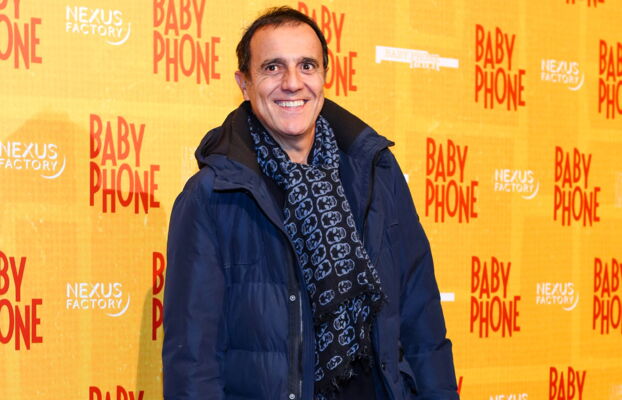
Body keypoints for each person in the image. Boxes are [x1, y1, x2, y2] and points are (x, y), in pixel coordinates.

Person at [163, 6, 459, 400]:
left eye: (307, 66)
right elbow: (192, 362)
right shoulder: (212, 196)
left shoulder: (376, 174)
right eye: (272, 67)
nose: (292, 83)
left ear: (324, 77)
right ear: (244, 83)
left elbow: (422, 321)